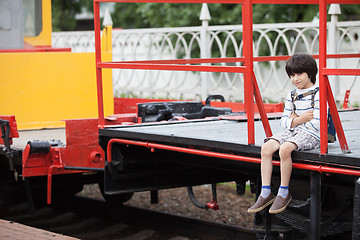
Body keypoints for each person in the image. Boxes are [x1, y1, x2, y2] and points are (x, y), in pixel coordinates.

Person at [247, 53, 321, 214]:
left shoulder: (319, 93)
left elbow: (318, 122)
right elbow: (283, 121)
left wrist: (295, 120)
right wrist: (298, 120)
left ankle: (283, 191)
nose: (295, 79)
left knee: (285, 149)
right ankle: (266, 192)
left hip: (313, 135)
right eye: (292, 75)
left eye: (299, 74)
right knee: (266, 148)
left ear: (310, 73)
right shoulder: (292, 94)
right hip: (295, 129)